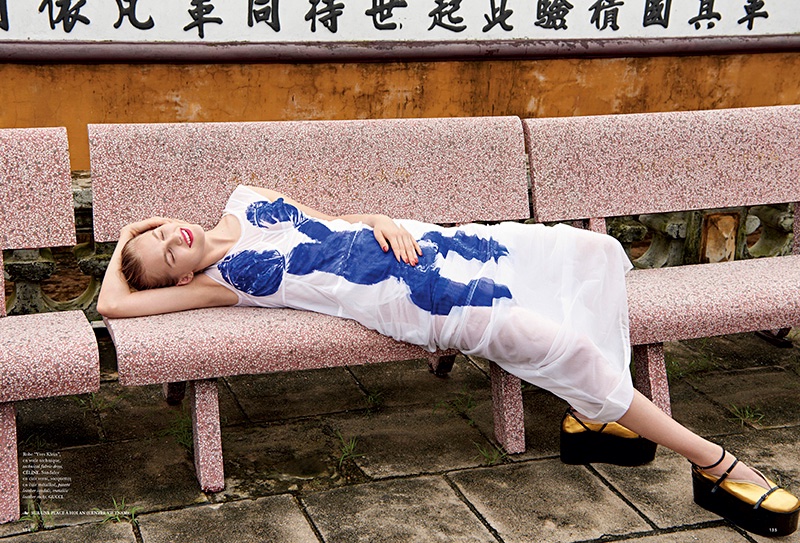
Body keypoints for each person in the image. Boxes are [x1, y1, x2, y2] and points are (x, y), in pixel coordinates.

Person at [98, 184, 798, 538]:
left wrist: (381, 219)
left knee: (580, 252)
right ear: (182, 278)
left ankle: (596, 415)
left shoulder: (243, 202)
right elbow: (113, 307)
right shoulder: (223, 286)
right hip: (415, 300)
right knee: (560, 344)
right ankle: (712, 463)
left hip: (429, 243)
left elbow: (335, 220)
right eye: (165, 251)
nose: (171, 235)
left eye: (161, 228)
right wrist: (125, 231)